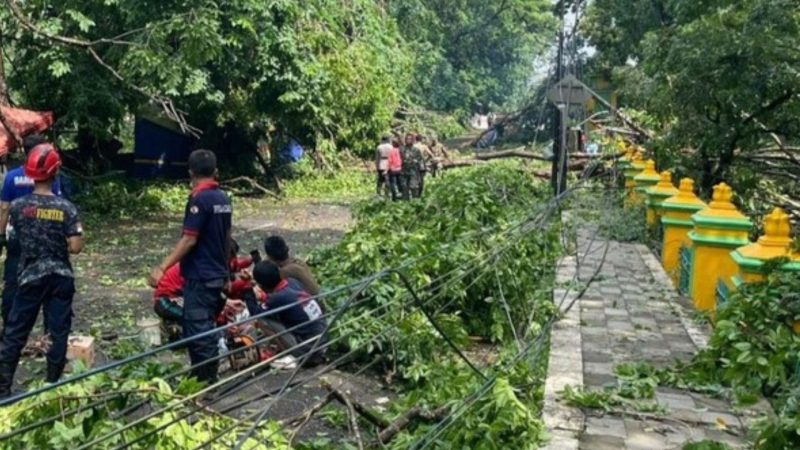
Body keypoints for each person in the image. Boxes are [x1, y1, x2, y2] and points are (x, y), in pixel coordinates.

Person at [0, 145, 83, 397]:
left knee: (15, 331)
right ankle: (52, 386)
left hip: (29, 277)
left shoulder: (17, 207)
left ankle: (3, 390)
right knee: (57, 331)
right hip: (60, 277)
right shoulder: (67, 208)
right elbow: (76, 247)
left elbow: (10, 232)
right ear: (55, 172)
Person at [149, 149, 232, 384]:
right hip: (216, 273)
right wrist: (226, 270)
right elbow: (227, 238)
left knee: (199, 327)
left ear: (191, 173)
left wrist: (162, 267)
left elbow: (189, 239)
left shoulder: (199, 199)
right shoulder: (223, 199)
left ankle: (207, 381)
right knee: (197, 324)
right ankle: (198, 376)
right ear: (215, 172)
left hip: (200, 275)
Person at [0, 135, 64, 339]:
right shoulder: (51, 176)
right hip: (47, 239)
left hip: (18, 238)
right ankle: (50, 333)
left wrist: (1, 235)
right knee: (50, 282)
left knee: (13, 282)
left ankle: (10, 330)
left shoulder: (11, 177)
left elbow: (3, 209)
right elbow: (59, 204)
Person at [249, 261, 327, 367]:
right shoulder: (292, 282)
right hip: (324, 339)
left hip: (310, 351)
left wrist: (247, 290)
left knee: (263, 319)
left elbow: (255, 312)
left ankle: (289, 354)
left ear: (262, 286)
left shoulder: (277, 298)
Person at [401, 134, 423, 200]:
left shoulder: (416, 150)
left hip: (413, 170)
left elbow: (420, 159)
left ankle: (415, 201)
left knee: (414, 187)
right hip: (404, 171)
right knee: (405, 187)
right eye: (407, 139)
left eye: (409, 139)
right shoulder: (402, 149)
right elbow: (400, 158)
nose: (408, 140)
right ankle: (406, 203)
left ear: (413, 140)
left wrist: (415, 161)